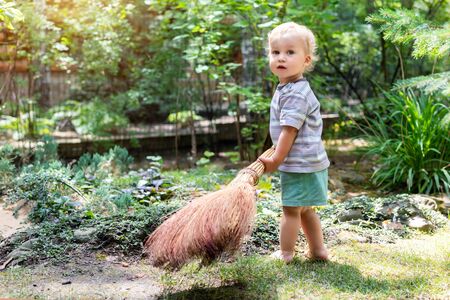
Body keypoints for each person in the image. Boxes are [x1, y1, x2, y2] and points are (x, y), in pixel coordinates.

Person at [259, 22, 330, 263]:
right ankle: (318, 251)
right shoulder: (289, 88)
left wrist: (276, 160)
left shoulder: (295, 94)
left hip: (300, 163)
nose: (281, 57)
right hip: (309, 162)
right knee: (306, 209)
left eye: (290, 52)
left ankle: (286, 253)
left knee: (290, 210)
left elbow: (289, 131)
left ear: (306, 60)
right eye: (275, 52)